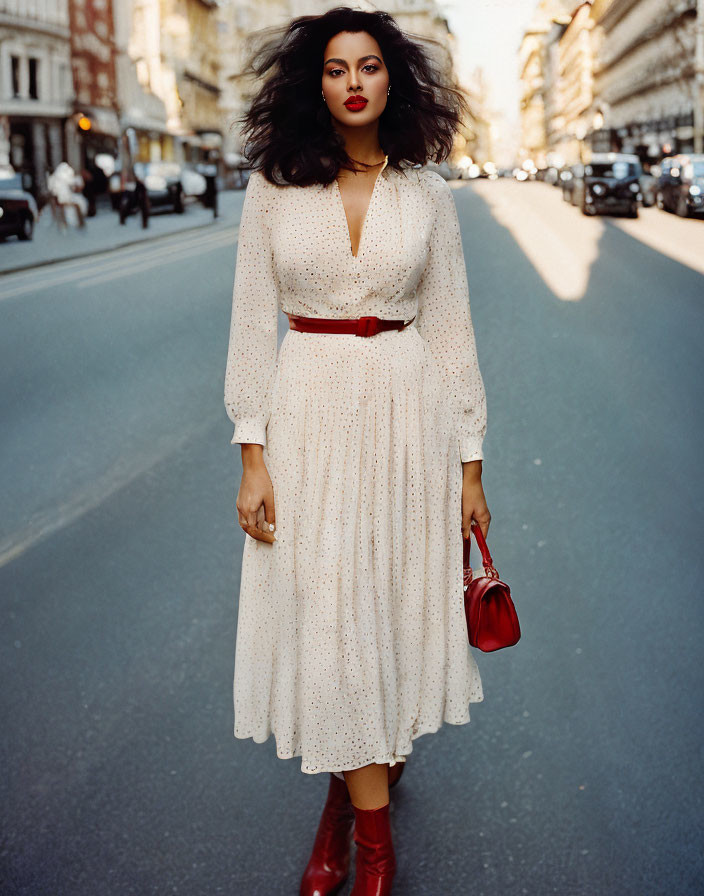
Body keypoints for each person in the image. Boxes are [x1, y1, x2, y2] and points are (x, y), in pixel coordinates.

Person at [223, 8, 491, 894]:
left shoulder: (427, 194)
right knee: (329, 617)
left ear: (392, 80)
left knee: (379, 609)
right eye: (336, 69)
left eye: (369, 66)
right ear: (316, 83)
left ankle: (344, 809)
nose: (352, 82)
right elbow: (250, 332)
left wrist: (471, 467)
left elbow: (452, 332)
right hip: (307, 415)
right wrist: (251, 453)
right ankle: (374, 847)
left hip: (406, 415)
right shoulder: (274, 186)